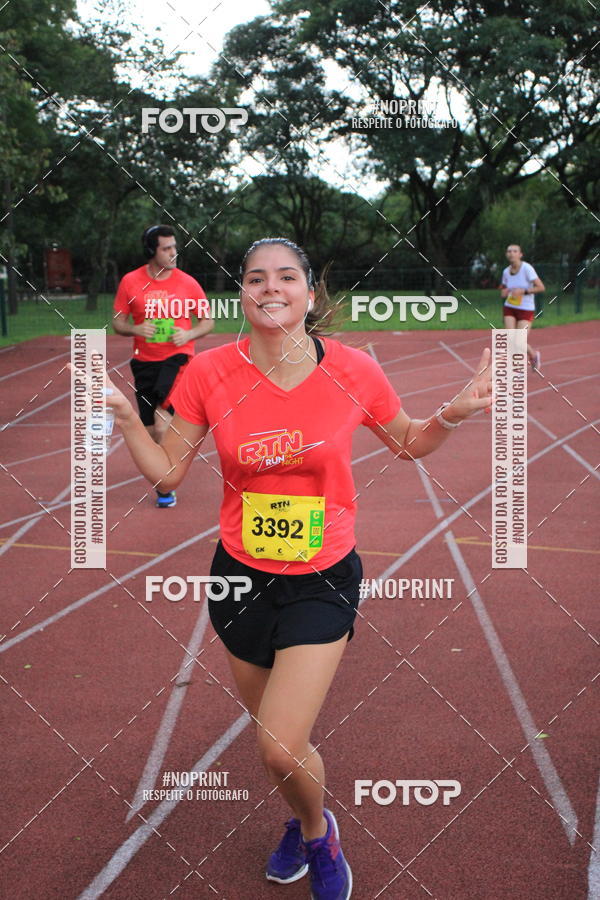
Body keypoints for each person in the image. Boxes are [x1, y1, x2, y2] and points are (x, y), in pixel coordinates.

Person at [104, 238, 492, 899]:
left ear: (310, 296)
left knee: (280, 747)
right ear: (242, 295)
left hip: (322, 576)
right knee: (276, 743)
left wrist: (451, 415)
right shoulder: (208, 373)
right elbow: (168, 472)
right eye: (256, 278)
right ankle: (304, 817)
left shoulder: (353, 370)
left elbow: (407, 442)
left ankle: (318, 835)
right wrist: (126, 419)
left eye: (287, 277)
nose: (271, 288)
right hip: (239, 580)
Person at [112, 224, 213, 507]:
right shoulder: (131, 282)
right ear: (151, 251)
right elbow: (118, 322)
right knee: (148, 429)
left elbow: (207, 321)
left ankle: (166, 484)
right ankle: (163, 469)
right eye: (166, 248)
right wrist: (135, 329)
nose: (173, 253)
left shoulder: (187, 283)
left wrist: (188, 335)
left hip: (178, 359)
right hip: (143, 362)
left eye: (174, 247)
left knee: (161, 420)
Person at [499, 243, 545, 372]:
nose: (511, 253)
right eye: (509, 251)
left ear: (520, 254)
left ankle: (533, 355)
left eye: (515, 251)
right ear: (506, 254)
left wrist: (523, 291)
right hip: (510, 306)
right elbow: (504, 287)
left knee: (519, 341)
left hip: (526, 308)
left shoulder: (527, 269)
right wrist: (504, 292)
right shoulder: (505, 272)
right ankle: (515, 369)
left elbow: (541, 287)